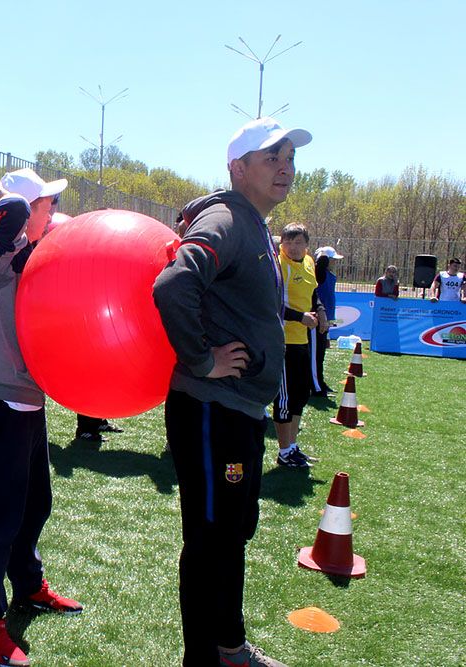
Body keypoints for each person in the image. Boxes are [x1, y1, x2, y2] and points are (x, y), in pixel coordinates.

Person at [153, 116, 311, 667]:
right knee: (210, 541)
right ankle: (203, 659)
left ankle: (229, 647)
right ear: (238, 167)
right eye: (272, 157)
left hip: (240, 411)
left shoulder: (254, 226)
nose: (286, 167)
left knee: (233, 533)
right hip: (210, 411)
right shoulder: (226, 219)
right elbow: (173, 284)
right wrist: (202, 359)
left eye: (290, 157)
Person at [0, 167, 82, 667]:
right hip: (2, 405)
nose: (52, 213)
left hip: (30, 402)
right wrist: (8, 212)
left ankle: (29, 586)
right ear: (21, 210)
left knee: (36, 506)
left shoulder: (30, 256)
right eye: (45, 204)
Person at [273, 224, 325, 467]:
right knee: (284, 400)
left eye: (298, 242)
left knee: (300, 395)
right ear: (281, 243)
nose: (292, 247)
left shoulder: (309, 262)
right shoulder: (276, 265)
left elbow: (313, 295)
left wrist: (321, 312)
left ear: (307, 244)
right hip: (281, 341)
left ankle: (293, 447)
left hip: (302, 340)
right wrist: (298, 317)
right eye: (288, 242)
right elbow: (270, 303)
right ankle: (284, 453)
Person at [311, 246, 342, 396]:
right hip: (318, 319)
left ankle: (320, 382)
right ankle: (316, 385)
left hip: (327, 319)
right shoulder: (320, 273)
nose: (335, 263)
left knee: (321, 354)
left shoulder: (329, 275)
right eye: (332, 260)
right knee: (316, 355)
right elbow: (319, 267)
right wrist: (322, 257)